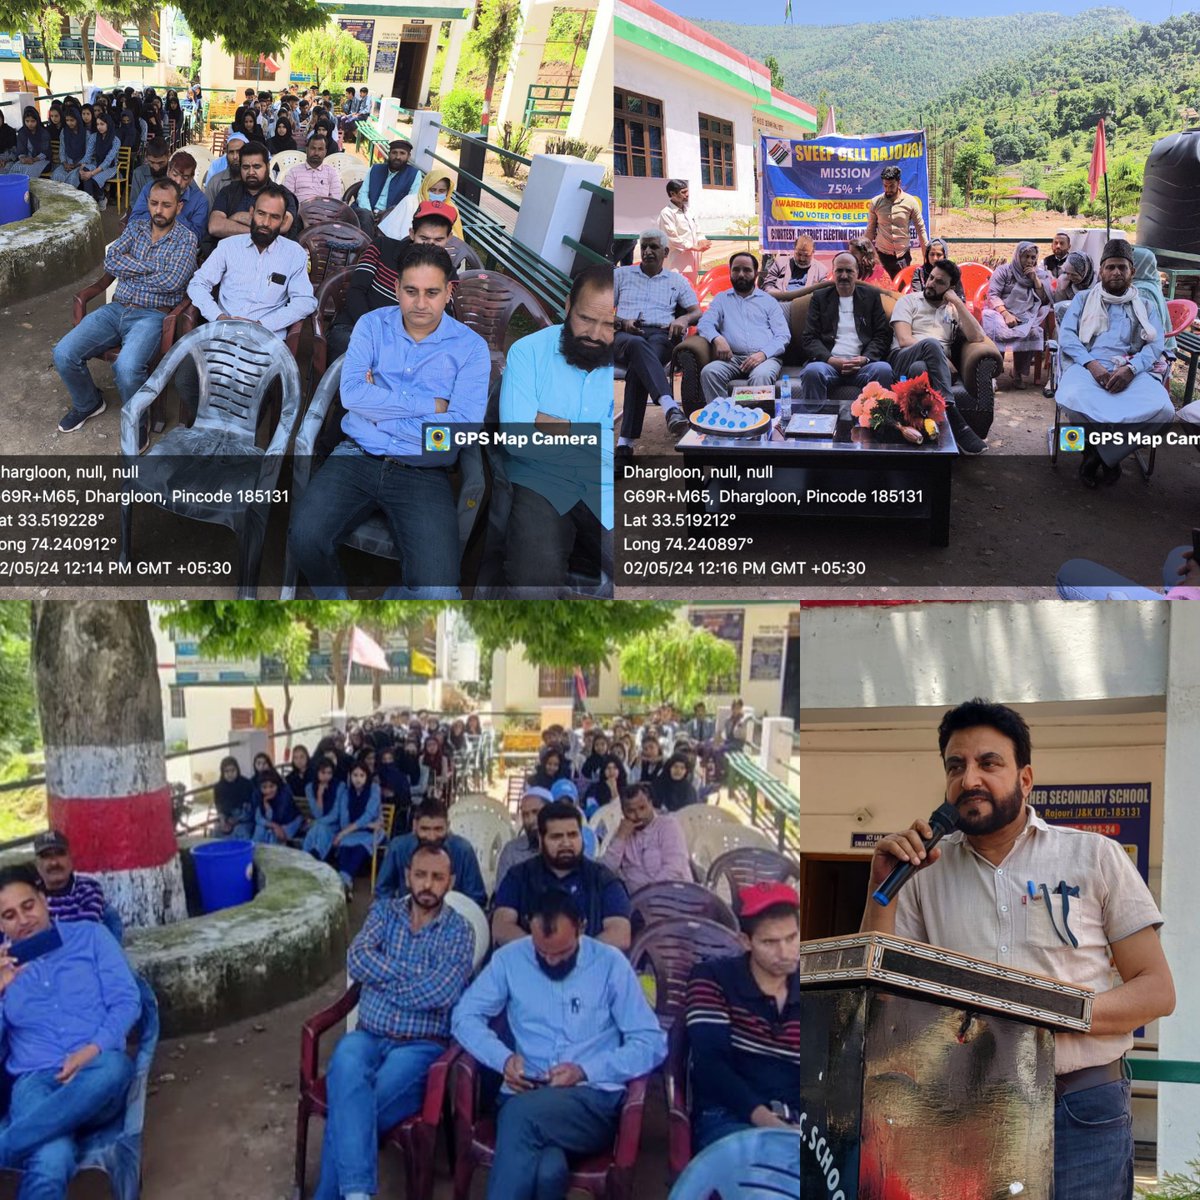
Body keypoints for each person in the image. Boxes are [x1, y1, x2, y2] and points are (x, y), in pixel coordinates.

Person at [860, 699, 1175, 1200]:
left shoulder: (1094, 857)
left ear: (1025, 779)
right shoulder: (923, 876)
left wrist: (1055, 1011)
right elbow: (881, 998)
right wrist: (884, 888)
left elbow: (1156, 991)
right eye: (956, 766)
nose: (970, 780)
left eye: (989, 763)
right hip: (964, 1112)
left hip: (1081, 1108)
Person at [286, 245, 489, 600]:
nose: (420, 303)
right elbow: (351, 396)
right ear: (397, 288)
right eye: (411, 291)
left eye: (432, 292)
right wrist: (432, 407)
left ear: (449, 292)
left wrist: (381, 419)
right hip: (356, 455)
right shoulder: (372, 325)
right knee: (304, 537)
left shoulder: (470, 348)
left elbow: (461, 430)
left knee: (438, 592)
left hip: (424, 472)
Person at [451, 889, 667, 1200]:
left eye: (562, 952)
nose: (551, 960)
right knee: (548, 1170)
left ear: (581, 927)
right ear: (530, 928)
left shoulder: (610, 965)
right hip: (527, 1090)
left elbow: (652, 1043)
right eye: (542, 951)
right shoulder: (511, 959)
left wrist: (584, 1070)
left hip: (591, 1102)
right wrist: (503, 1059)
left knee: (519, 1116)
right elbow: (464, 1016)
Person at [314, 844, 474, 1200]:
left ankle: (346, 1194)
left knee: (350, 1110)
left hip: (419, 1048)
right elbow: (358, 960)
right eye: (420, 875)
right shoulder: (385, 913)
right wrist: (416, 978)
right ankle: (357, 1194)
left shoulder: (460, 931)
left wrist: (384, 982)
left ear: (451, 882)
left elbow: (442, 993)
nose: (427, 885)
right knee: (347, 1063)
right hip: (367, 1036)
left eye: (437, 877)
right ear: (407, 876)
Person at [0, 866, 141, 1199]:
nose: (22, 920)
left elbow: (126, 1001)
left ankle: (8, 1146)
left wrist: (91, 1050)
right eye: (8, 915)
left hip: (95, 1075)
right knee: (52, 1157)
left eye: (28, 906)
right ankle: (41, 1136)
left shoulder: (90, 936)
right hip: (34, 1081)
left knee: (116, 1067)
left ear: (45, 900)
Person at [52, 178, 196, 445]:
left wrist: (131, 269)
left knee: (128, 368)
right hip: (116, 307)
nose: (159, 210)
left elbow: (173, 282)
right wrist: (150, 268)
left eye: (166, 205)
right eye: (154, 203)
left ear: (179, 207)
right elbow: (110, 259)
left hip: (152, 315)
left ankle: (138, 419)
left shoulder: (186, 239)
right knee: (63, 352)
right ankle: (89, 403)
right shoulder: (136, 227)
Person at [499, 263, 614, 590]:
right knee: (534, 583)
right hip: (541, 482)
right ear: (567, 306)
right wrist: (598, 437)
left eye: (610, 325)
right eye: (586, 319)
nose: (595, 334)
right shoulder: (528, 352)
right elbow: (516, 440)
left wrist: (565, 428)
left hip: (605, 488)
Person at [684, 882, 801, 1149]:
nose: (785, 953)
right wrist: (774, 1127)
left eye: (792, 938)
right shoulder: (712, 978)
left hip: (797, 1121)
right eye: (770, 942)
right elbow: (710, 1066)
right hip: (728, 1116)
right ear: (745, 941)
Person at [1056, 239, 1172, 488]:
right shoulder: (1084, 299)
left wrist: (1131, 370)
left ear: (1133, 272)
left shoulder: (1146, 304)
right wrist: (1091, 364)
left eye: (1122, 267)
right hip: (1088, 367)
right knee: (1070, 396)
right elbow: (1067, 336)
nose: (1116, 272)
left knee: (1164, 411)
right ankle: (1109, 454)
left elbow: (1155, 345)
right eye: (1110, 267)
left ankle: (1099, 456)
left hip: (1132, 369)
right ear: (1101, 271)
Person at [327, 202, 460, 363]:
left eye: (438, 240)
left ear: (449, 238)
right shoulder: (381, 247)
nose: (430, 245)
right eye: (423, 238)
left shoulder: (449, 273)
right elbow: (356, 291)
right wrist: (377, 334)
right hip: (357, 326)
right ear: (412, 233)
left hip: (410, 341)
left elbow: (440, 314)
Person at [491, 800, 632, 950]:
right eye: (556, 837)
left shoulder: (603, 879)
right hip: (529, 964)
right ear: (541, 839)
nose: (566, 843)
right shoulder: (519, 877)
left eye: (572, 835)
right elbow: (501, 928)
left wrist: (572, 953)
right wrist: (542, 951)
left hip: (589, 966)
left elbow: (620, 935)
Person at [889, 257, 991, 455]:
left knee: (920, 370)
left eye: (940, 282)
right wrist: (943, 357)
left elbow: (977, 336)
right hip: (902, 358)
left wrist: (957, 302)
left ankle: (932, 441)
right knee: (931, 346)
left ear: (951, 287)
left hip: (929, 370)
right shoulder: (908, 301)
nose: (931, 284)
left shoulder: (953, 309)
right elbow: (903, 339)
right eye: (931, 278)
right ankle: (953, 413)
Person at [186, 182, 315, 335]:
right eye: (261, 214)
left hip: (267, 339)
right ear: (252, 212)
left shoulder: (294, 254)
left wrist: (263, 324)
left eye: (274, 217)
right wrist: (218, 317)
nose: (266, 223)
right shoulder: (228, 246)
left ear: (283, 221)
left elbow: (305, 301)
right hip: (223, 333)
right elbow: (197, 284)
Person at [614, 230, 700, 458]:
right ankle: (670, 407)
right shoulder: (621, 275)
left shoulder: (676, 281)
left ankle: (625, 445)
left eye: (653, 247)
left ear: (665, 252)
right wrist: (622, 323)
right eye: (644, 247)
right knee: (635, 345)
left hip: (660, 336)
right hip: (623, 335)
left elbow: (695, 311)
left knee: (638, 368)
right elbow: (599, 311)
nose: (648, 251)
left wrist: (683, 319)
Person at [798, 251, 894, 401]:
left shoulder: (871, 296)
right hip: (828, 365)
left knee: (884, 370)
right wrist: (830, 360)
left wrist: (865, 359)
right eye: (839, 271)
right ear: (833, 272)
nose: (843, 276)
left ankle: (877, 423)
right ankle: (816, 422)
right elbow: (810, 338)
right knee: (812, 371)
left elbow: (882, 335)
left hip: (862, 366)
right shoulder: (820, 298)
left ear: (857, 273)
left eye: (849, 271)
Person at [695, 252, 789, 402]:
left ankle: (755, 421)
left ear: (756, 273)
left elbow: (783, 336)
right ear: (730, 272)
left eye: (746, 270)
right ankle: (724, 418)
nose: (741, 274)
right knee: (709, 372)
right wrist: (717, 338)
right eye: (736, 270)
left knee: (761, 376)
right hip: (732, 359)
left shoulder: (768, 301)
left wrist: (762, 354)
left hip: (765, 359)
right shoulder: (721, 299)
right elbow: (705, 323)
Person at [374, 798, 487, 908]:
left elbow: (476, 899)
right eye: (425, 829)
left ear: (447, 826)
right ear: (414, 826)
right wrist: (395, 915)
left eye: (438, 829)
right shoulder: (398, 847)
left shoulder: (463, 850)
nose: (432, 837)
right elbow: (383, 891)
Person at [981, 241, 1053, 389]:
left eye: (1033, 257)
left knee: (1033, 331)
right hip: (1000, 310)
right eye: (1026, 256)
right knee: (994, 325)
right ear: (1018, 256)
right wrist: (1006, 314)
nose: (1030, 261)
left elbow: (1045, 299)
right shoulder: (1004, 271)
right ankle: (994, 372)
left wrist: (1035, 279)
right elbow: (993, 295)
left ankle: (1018, 373)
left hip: (1027, 312)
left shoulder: (1039, 274)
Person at [600, 784, 690, 892]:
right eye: (631, 811)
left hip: (672, 897)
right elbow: (605, 871)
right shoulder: (622, 833)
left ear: (651, 804)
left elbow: (674, 868)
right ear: (623, 812)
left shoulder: (667, 825)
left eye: (642, 808)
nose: (638, 815)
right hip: (636, 902)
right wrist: (621, 837)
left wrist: (650, 894)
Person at [207, 142, 300, 242]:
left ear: (267, 167)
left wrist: (236, 218)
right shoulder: (228, 192)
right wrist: (259, 230)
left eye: (256, 167)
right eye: (246, 167)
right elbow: (215, 226)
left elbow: (284, 226)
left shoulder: (282, 195)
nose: (251, 172)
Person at [31, 830, 107, 926]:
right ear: (37, 864)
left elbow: (83, 932)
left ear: (70, 858)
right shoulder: (29, 896)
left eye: (60, 854)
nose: (54, 863)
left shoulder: (88, 889)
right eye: (46, 856)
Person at [129, 150, 207, 241]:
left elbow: (197, 236)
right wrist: (163, 218)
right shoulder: (150, 189)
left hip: (178, 247)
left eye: (185, 178)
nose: (178, 181)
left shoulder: (200, 200)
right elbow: (133, 221)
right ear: (168, 171)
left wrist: (174, 214)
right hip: (145, 239)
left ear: (191, 179)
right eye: (175, 174)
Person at [865, 165, 928, 279]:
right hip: (882, 256)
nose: (888, 190)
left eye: (891, 186)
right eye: (885, 186)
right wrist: (863, 254)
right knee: (882, 292)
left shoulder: (911, 202)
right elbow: (870, 230)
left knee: (901, 291)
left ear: (899, 183)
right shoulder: (876, 202)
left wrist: (927, 256)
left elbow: (921, 229)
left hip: (902, 257)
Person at [355, 139, 423, 238]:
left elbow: (410, 202)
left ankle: (368, 248)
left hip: (393, 215)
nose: (397, 157)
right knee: (364, 217)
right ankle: (369, 248)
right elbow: (363, 193)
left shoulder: (414, 174)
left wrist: (387, 214)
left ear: (408, 156)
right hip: (368, 211)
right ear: (389, 154)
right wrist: (369, 212)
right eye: (394, 153)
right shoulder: (376, 168)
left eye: (402, 153)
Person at [378, 167, 465, 243]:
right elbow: (390, 232)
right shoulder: (410, 202)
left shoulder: (451, 209)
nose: (436, 194)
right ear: (425, 188)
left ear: (448, 192)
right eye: (432, 190)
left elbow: (457, 240)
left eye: (441, 191)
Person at [496, 787, 552, 890]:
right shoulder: (512, 850)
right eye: (525, 815)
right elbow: (502, 894)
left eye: (536, 812)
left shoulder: (563, 847)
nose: (530, 820)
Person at [657, 178, 711, 285]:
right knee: (674, 288)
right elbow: (672, 238)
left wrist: (702, 240)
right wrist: (694, 247)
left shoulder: (688, 210)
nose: (687, 195)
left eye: (687, 191)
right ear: (672, 193)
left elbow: (697, 229)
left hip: (692, 258)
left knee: (691, 288)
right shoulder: (666, 213)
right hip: (676, 260)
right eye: (683, 192)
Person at [762, 235, 829, 300]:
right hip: (781, 301)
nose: (802, 259)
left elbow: (823, 294)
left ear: (813, 252)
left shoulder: (821, 270)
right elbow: (767, 286)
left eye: (806, 255)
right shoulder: (780, 263)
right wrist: (782, 296)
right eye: (799, 254)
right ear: (794, 249)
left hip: (806, 304)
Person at [282, 131, 341, 202]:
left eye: (320, 149)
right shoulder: (293, 172)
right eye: (313, 148)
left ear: (325, 152)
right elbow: (288, 200)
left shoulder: (332, 173)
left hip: (324, 212)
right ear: (306, 149)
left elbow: (335, 202)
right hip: (299, 211)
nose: (316, 153)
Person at [301, 759, 341, 860]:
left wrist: (316, 822)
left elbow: (335, 815)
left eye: (329, 773)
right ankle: (312, 856)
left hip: (335, 825)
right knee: (319, 829)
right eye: (323, 772)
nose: (326, 776)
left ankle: (310, 856)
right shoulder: (309, 788)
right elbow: (317, 814)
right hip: (320, 826)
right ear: (317, 772)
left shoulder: (340, 786)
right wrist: (319, 795)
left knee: (319, 828)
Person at [212, 756, 255, 837]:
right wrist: (223, 822)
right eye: (226, 771)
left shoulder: (246, 784)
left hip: (244, 820)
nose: (230, 774)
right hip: (226, 819)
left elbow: (250, 809)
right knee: (217, 830)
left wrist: (236, 820)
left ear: (237, 770)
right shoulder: (219, 787)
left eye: (233, 770)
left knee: (240, 831)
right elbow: (219, 807)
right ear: (222, 772)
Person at [51, 108, 91, 188]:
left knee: (73, 177)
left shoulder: (86, 133)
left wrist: (77, 164)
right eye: (67, 120)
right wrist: (65, 163)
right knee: (56, 175)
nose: (69, 123)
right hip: (67, 163)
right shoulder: (64, 132)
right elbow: (62, 149)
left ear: (77, 119)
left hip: (82, 163)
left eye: (72, 120)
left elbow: (88, 153)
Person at [203, 131, 247, 204]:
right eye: (231, 152)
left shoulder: (254, 181)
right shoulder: (215, 183)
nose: (235, 157)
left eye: (239, 152)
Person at [8, 106, 49, 178]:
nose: (30, 124)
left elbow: (45, 152)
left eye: (33, 121)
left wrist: (34, 159)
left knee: (29, 170)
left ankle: (29, 188)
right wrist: (23, 158)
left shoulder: (43, 133)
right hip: (27, 159)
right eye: (27, 121)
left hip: (42, 160)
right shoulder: (22, 132)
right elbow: (20, 150)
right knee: (16, 168)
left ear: (37, 121)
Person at [129, 138, 170, 206]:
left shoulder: (179, 174)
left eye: (161, 163)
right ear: (146, 157)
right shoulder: (139, 173)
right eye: (152, 162)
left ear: (168, 156)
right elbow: (135, 204)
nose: (156, 167)